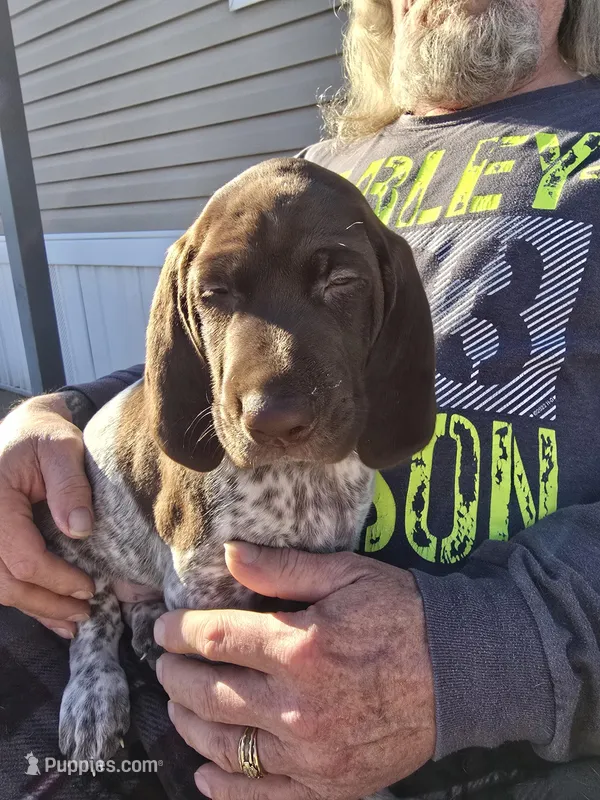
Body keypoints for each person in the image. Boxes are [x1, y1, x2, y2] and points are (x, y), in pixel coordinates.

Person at [2, 0, 600, 798]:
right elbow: (212, 343)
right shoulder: (324, 164)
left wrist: (475, 664)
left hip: (486, 733)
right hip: (181, 636)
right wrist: (55, 414)